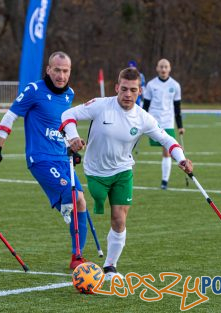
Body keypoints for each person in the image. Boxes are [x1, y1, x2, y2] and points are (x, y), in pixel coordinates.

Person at [60, 67, 193, 280]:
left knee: (119, 219)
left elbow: (167, 139)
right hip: (95, 171)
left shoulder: (143, 118)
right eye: (124, 89)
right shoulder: (100, 105)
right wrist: (73, 137)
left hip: (123, 170)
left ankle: (110, 267)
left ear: (139, 92)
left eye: (133, 90)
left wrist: (181, 158)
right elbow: (68, 114)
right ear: (116, 88)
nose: (128, 94)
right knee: (97, 204)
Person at [0, 51, 88, 270]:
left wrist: (72, 144)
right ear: (49, 69)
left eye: (65, 70)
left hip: (61, 157)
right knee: (74, 196)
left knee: (81, 202)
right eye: (57, 70)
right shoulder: (33, 90)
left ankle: (77, 257)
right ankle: (64, 206)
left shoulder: (69, 94)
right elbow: (10, 115)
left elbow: (65, 124)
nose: (61, 75)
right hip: (40, 158)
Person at [142, 58, 183, 190]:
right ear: (157, 68)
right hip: (153, 122)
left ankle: (164, 181)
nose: (163, 69)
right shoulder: (151, 85)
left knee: (167, 152)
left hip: (168, 122)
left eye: (166, 67)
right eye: (161, 67)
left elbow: (177, 108)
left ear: (169, 69)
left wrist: (180, 126)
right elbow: (145, 106)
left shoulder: (175, 85)